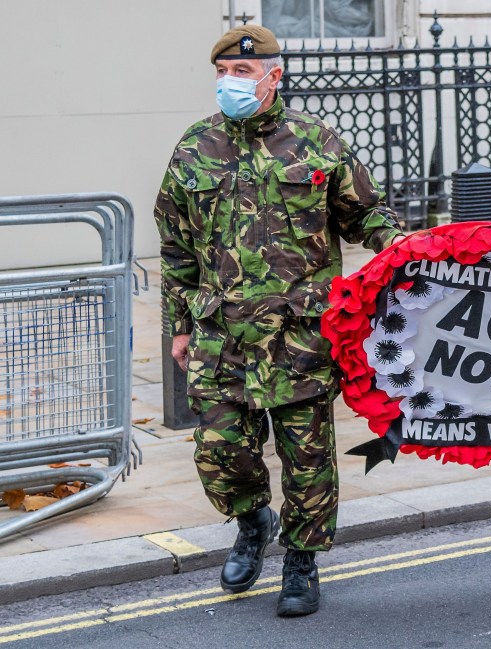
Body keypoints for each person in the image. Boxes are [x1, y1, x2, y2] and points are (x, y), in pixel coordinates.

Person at [153, 25, 403, 616]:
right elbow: (175, 247)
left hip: (300, 336)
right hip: (221, 336)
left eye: (243, 72)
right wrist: (178, 326)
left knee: (306, 460)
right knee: (220, 451)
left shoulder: (317, 143)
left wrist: (415, 255)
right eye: (223, 73)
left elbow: (367, 216)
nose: (230, 82)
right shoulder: (194, 146)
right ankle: (251, 521)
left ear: (274, 76)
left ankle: (301, 562)